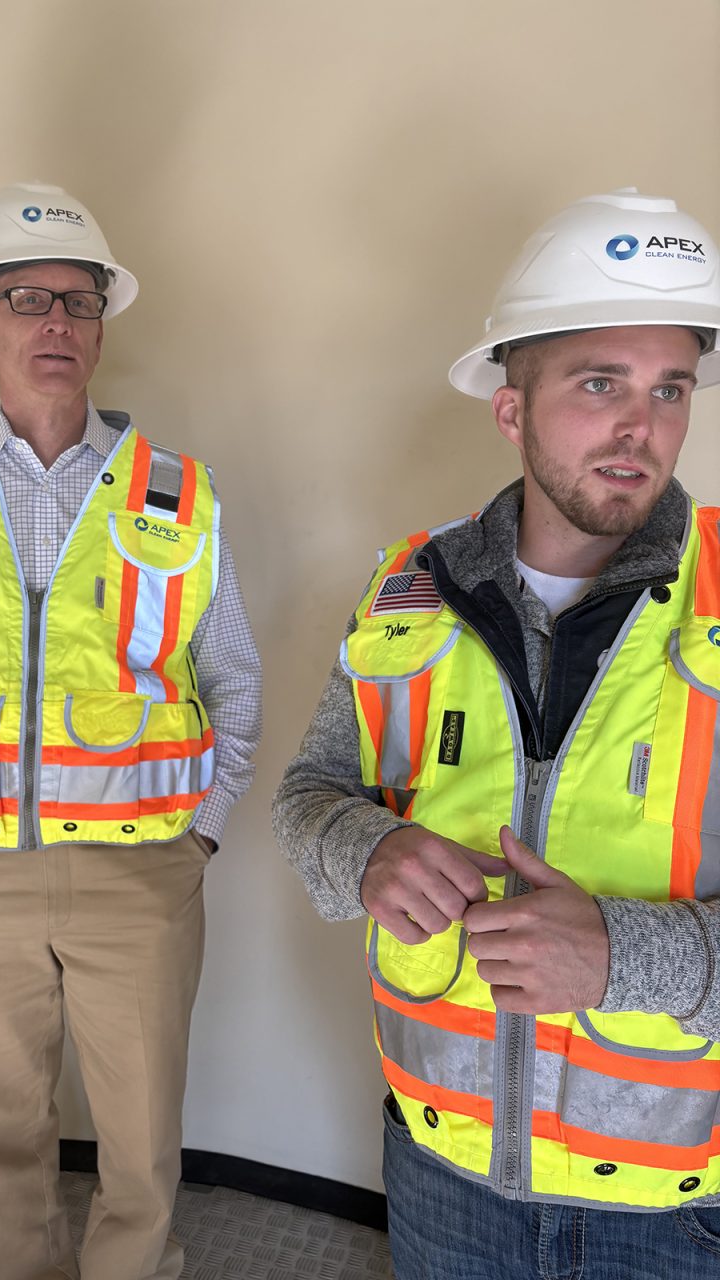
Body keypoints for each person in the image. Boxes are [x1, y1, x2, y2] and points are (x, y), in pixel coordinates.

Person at [273, 187, 720, 1279]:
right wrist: (366, 848)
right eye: (600, 383)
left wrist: (625, 954)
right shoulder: (405, 589)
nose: (642, 426)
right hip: (441, 1176)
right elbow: (310, 790)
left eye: (672, 388)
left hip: (672, 1208)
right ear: (512, 408)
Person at [0, 181, 261, 1280]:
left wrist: (198, 835)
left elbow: (232, 679)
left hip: (140, 871)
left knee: (141, 1147)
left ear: (101, 326)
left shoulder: (180, 495)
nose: (57, 323)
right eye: (28, 299)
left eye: (80, 302)